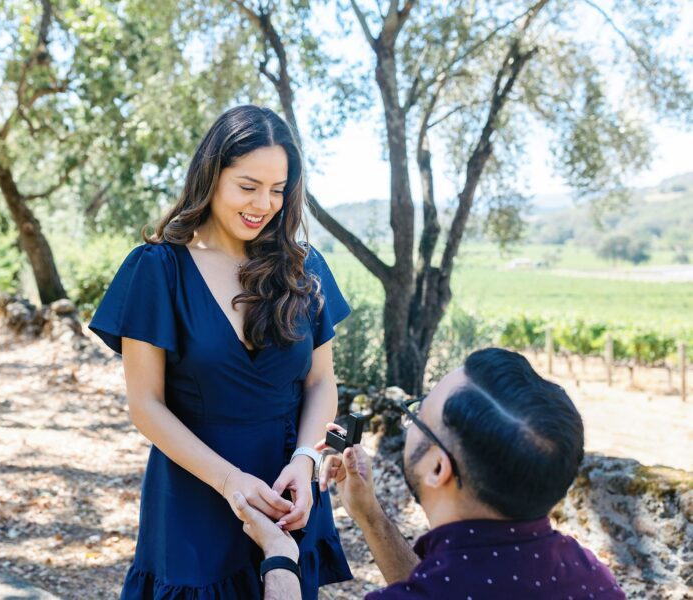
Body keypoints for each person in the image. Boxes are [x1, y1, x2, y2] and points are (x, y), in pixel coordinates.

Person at [88, 105, 353, 599]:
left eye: (278, 189)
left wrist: (306, 461)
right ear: (211, 176)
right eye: (248, 186)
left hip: (286, 488)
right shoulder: (157, 269)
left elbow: (320, 382)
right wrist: (230, 482)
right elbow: (145, 406)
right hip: (194, 493)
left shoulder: (304, 269)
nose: (265, 204)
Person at [234, 348, 626, 599]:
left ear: (439, 467)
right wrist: (369, 514)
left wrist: (281, 557)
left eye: (418, 414)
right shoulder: (593, 578)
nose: (413, 419)